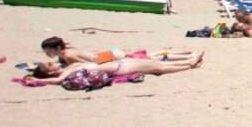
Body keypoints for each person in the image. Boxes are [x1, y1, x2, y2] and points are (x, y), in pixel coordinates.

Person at [28, 51, 204, 80]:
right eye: (49, 64)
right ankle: (189, 61)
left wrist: (34, 75)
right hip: (113, 61)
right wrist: (36, 78)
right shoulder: (66, 64)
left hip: (113, 60)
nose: (49, 59)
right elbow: (57, 79)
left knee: (155, 61)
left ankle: (188, 59)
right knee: (157, 65)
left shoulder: (67, 60)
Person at [40, 36, 195, 67]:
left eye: (48, 51)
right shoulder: (67, 50)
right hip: (108, 53)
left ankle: (186, 57)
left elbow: (87, 65)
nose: (47, 54)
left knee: (152, 58)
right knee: (150, 55)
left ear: (57, 49)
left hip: (108, 57)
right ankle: (185, 53)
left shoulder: (68, 55)